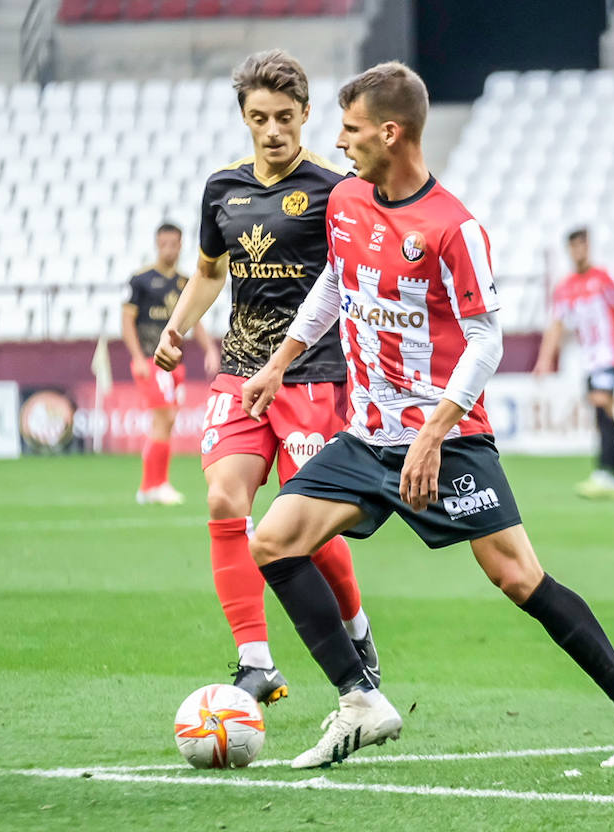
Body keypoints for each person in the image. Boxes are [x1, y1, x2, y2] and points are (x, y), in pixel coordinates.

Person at [241, 62, 614, 770]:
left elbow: (486, 337)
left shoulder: (453, 228)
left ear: (391, 132)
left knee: (518, 577)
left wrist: (435, 430)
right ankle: (359, 701)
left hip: (444, 437)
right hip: (367, 436)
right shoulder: (346, 200)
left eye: (350, 130)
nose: (339, 144)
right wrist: (280, 361)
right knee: (275, 540)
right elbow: (333, 285)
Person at [154, 50, 379, 705]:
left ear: (306, 115)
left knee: (303, 524)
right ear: (245, 119)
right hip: (241, 372)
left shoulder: (337, 189)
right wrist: (175, 328)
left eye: (285, 117)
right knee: (226, 500)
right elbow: (207, 271)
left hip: (313, 377)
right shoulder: (222, 189)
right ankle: (257, 662)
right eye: (260, 118)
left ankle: (356, 630)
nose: (273, 129)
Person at [533, 227, 614, 500]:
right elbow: (556, 324)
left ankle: (605, 474)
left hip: (610, 355)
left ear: (588, 247)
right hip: (588, 361)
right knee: (602, 414)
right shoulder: (565, 287)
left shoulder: (604, 278)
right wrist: (544, 359)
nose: (579, 251)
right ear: (569, 250)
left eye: (583, 245)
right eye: (574, 247)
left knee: (600, 402)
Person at [122, 222, 219, 505]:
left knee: (166, 421)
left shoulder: (184, 283)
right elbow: (127, 321)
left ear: (180, 245)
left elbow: (195, 320)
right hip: (154, 361)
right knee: (164, 418)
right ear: (156, 244)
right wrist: (138, 358)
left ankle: (148, 486)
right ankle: (158, 484)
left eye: (173, 244)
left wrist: (210, 349)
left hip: (176, 363)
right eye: (163, 243)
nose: (168, 249)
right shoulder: (140, 280)